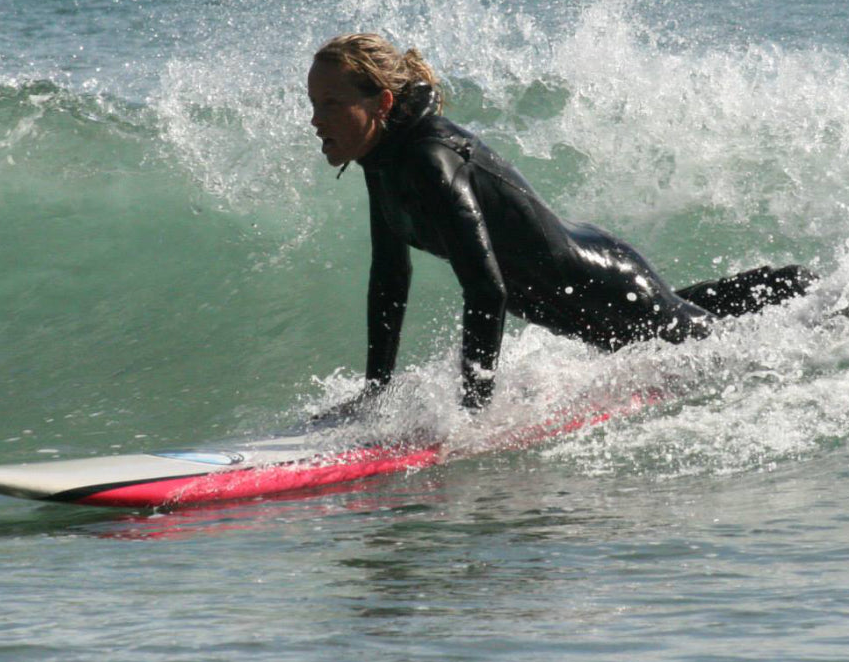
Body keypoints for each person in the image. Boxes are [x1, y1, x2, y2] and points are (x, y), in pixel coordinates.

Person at [307, 33, 815, 416]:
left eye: (332, 103)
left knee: (720, 347)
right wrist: (375, 394)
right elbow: (389, 281)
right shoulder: (382, 161)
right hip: (583, 292)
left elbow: (486, 290)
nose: (316, 119)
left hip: (607, 284)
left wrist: (472, 413)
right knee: (688, 325)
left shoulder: (429, 159)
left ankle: (818, 301)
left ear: (382, 103)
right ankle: (793, 289)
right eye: (313, 104)